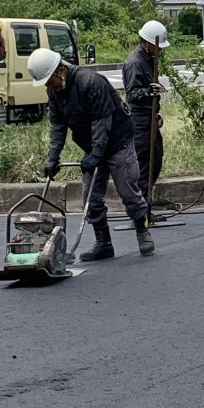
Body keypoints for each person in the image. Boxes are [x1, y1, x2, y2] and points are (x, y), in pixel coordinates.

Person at [33, 47, 153, 259]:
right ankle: (103, 242)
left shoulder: (89, 82)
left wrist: (97, 154)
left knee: (128, 191)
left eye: (49, 80)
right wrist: (53, 157)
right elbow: (58, 125)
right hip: (92, 146)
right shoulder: (54, 92)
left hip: (118, 140)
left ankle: (142, 231)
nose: (48, 86)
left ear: (60, 71)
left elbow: (102, 121)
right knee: (91, 197)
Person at [124, 20, 169, 215]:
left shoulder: (148, 58)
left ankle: (146, 207)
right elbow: (132, 94)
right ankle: (141, 213)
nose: (160, 50)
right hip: (140, 120)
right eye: (157, 46)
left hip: (150, 118)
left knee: (155, 160)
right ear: (146, 42)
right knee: (143, 166)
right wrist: (147, 93)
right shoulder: (135, 62)